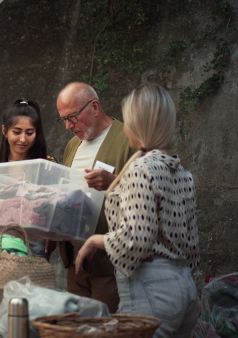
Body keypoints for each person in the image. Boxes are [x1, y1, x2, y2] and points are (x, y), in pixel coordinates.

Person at [75, 83, 200, 337]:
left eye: (129, 121)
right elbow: (191, 242)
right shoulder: (182, 173)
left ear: (140, 125)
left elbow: (137, 239)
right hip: (184, 285)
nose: (125, 128)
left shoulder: (140, 169)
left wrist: (95, 240)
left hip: (152, 287)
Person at [54, 82, 136, 313]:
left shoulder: (128, 138)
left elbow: (151, 193)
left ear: (95, 107)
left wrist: (114, 182)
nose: (69, 126)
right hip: (75, 263)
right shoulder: (72, 145)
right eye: (63, 120)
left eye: (72, 117)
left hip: (110, 264)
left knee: (104, 329)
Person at [0, 99, 56, 260]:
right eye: (17, 132)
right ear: (5, 131)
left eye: (29, 133)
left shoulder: (48, 164)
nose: (23, 139)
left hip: (35, 241)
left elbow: (56, 208)